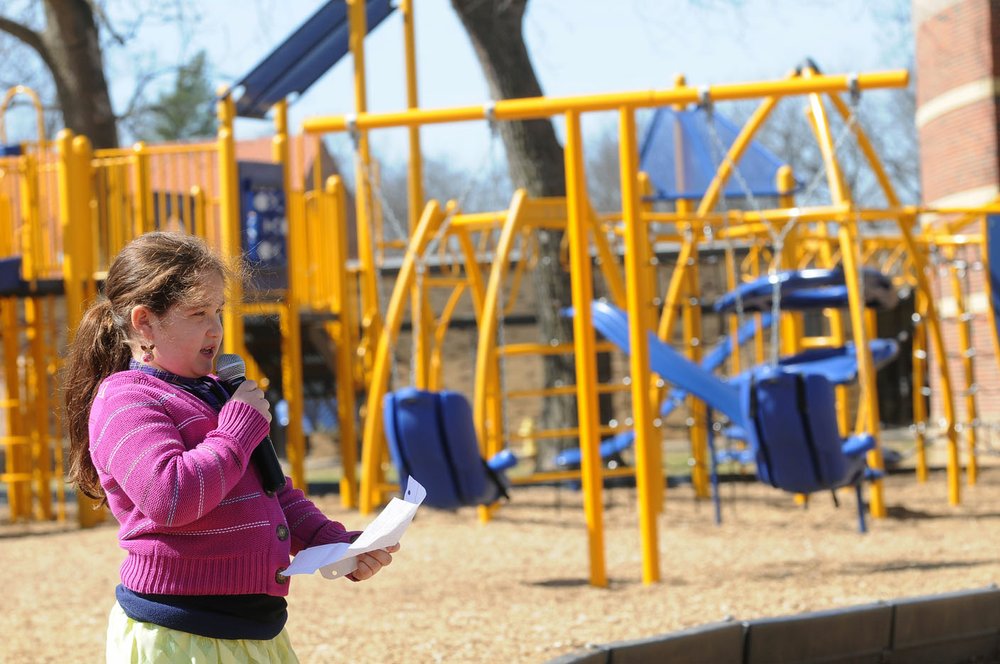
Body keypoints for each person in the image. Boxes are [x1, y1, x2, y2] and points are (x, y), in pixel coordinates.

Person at [64, 231, 398, 663]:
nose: (216, 329)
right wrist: (237, 430)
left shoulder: (218, 393)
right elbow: (172, 497)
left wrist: (335, 544)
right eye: (198, 312)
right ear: (144, 322)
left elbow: (273, 491)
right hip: (178, 632)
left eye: (218, 310)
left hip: (257, 630)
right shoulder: (125, 400)